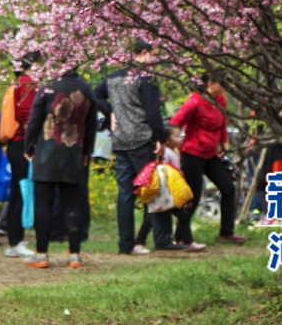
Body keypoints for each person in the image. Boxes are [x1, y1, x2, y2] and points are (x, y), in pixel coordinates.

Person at [94, 41, 186, 254]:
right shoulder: (146, 78)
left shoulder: (114, 77)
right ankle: (162, 239)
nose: (157, 59)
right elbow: (153, 111)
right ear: (144, 53)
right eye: (155, 54)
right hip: (142, 140)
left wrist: (110, 112)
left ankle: (125, 245)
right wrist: (160, 138)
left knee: (125, 194)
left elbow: (95, 94)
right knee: (153, 188)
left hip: (120, 140)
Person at [23, 67, 99, 268]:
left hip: (47, 149)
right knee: (72, 203)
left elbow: (35, 119)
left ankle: (42, 254)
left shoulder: (48, 86)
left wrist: (28, 145)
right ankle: (74, 255)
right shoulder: (86, 88)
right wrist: (86, 152)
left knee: (44, 203)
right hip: (73, 150)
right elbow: (92, 125)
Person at [171, 73, 247, 245]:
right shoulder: (195, 102)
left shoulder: (220, 100)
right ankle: (182, 236)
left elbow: (223, 125)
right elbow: (176, 121)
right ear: (210, 83)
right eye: (222, 83)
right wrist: (174, 144)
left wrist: (225, 148)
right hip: (192, 153)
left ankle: (226, 232)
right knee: (193, 195)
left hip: (211, 154)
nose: (224, 88)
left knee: (228, 188)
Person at [3, 51, 40, 258]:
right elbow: (27, 114)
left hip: (16, 143)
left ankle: (14, 239)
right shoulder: (27, 83)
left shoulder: (16, 83)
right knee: (21, 191)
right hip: (23, 142)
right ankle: (16, 240)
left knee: (18, 191)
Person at [134, 125, 183, 254]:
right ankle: (143, 242)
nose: (180, 139)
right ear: (167, 140)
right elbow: (163, 169)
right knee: (155, 215)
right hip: (163, 189)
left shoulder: (172, 152)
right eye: (177, 136)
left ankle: (174, 240)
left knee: (155, 215)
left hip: (168, 189)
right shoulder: (165, 153)